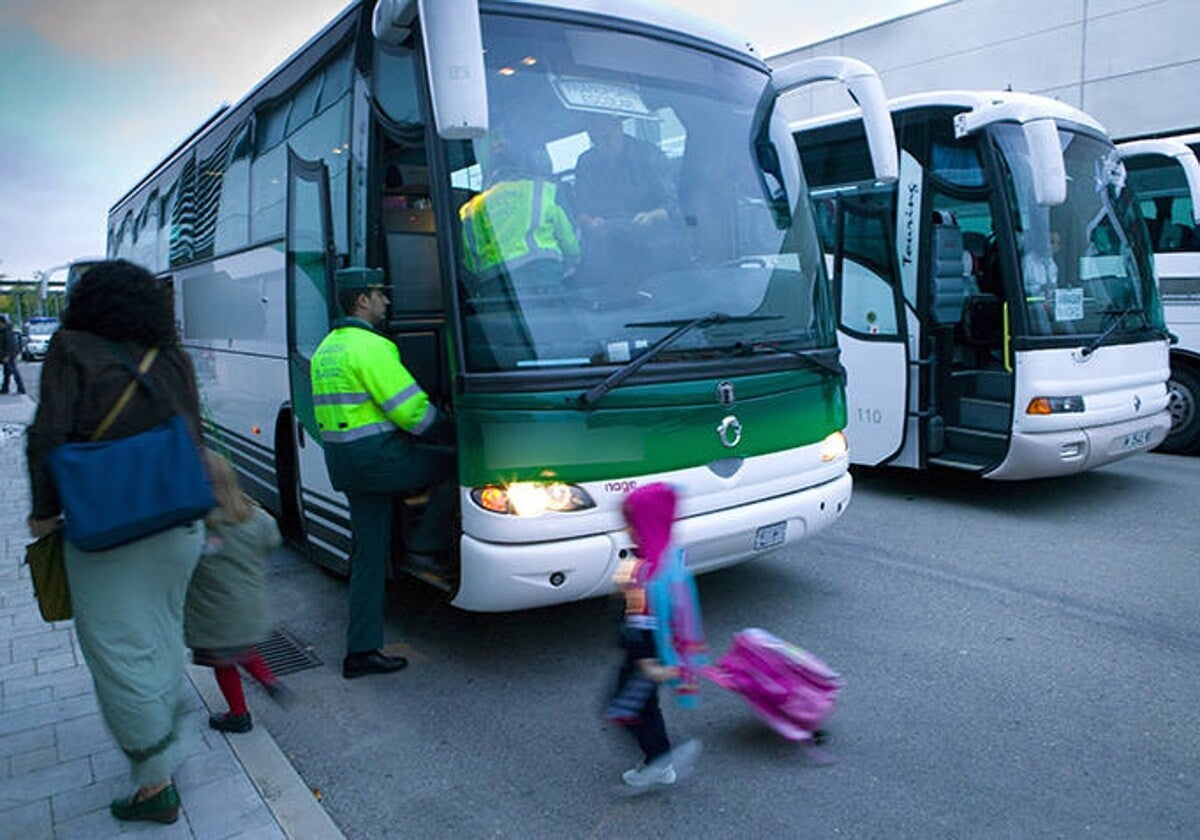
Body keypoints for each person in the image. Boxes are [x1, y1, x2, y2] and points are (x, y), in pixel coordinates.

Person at [26, 259, 206, 825]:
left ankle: (155, 783)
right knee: (159, 634)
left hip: (109, 527)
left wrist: (42, 511)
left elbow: (47, 435)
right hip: (180, 521)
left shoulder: (71, 347)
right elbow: (196, 429)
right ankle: (167, 742)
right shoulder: (169, 353)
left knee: (118, 653)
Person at [310, 267, 456, 679]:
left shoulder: (327, 349)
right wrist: (452, 429)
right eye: (380, 294)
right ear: (362, 300)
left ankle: (361, 651)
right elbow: (413, 413)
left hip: (346, 465)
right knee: (452, 465)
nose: (386, 302)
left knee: (368, 557)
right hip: (380, 461)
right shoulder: (371, 347)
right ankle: (427, 545)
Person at [604, 482, 703, 789]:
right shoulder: (668, 561)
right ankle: (658, 757)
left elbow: (639, 625)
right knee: (642, 708)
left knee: (625, 709)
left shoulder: (647, 574)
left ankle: (659, 761)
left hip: (643, 661)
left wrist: (647, 662)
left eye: (632, 524)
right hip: (652, 657)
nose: (628, 530)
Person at [186, 452, 288, 734]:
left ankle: (238, 714)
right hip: (250, 610)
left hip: (211, 617)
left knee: (224, 663)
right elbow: (272, 542)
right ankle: (269, 680)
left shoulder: (197, 526)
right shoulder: (256, 516)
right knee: (243, 649)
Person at [458, 143, 580, 293]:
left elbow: (471, 259)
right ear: (522, 167)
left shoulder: (471, 208)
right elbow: (568, 239)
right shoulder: (541, 190)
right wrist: (573, 260)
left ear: (488, 172)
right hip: (543, 274)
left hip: (495, 282)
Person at [572, 114, 681, 281]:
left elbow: (674, 207)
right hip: (608, 253)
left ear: (619, 127)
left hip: (653, 253)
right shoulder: (586, 163)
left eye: (606, 137)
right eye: (595, 139)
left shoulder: (648, 155)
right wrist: (590, 223)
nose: (601, 144)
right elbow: (579, 210)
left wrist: (651, 216)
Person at [0, 314, 26, 394]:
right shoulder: (5, 331)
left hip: (8, 355)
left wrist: (7, 355)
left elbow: (10, 344)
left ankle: (20, 388)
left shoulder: (6, 332)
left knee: (13, 371)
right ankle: (5, 388)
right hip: (7, 354)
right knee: (7, 372)